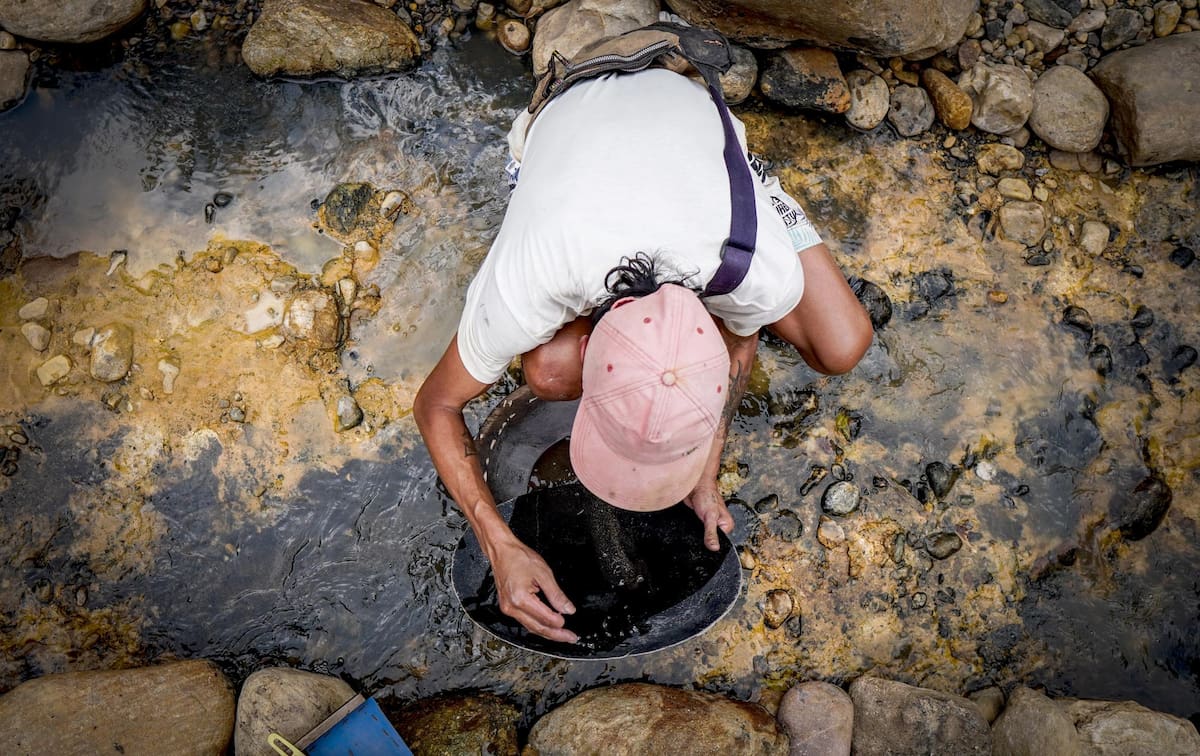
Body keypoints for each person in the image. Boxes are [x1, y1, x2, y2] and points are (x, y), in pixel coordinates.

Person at [414, 56, 873, 644]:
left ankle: (757, 183)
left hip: (691, 120)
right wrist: (498, 543)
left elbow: (737, 341)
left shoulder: (755, 269)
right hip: (570, 114)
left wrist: (706, 471)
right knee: (549, 371)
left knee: (843, 343)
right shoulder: (532, 280)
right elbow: (435, 405)